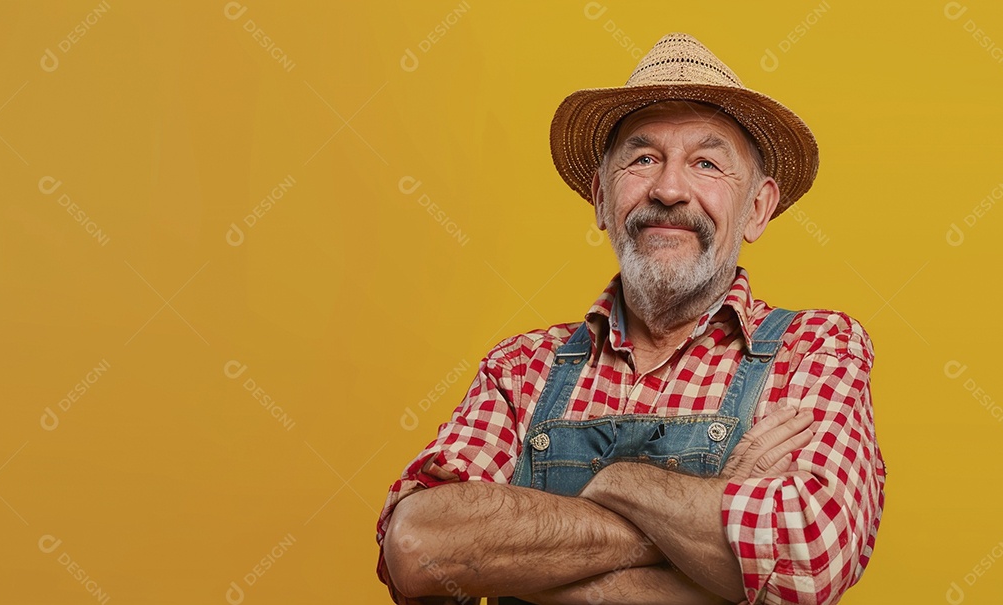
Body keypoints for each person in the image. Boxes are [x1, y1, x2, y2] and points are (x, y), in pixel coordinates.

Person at [375, 32, 886, 605]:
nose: (669, 189)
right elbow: (422, 545)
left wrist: (614, 486)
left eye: (707, 163)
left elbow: (809, 558)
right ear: (599, 197)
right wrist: (709, 516)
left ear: (757, 208)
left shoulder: (814, 349)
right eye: (643, 159)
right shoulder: (520, 369)